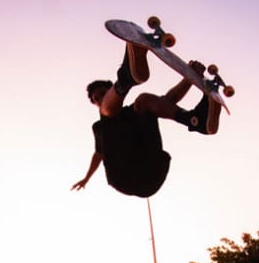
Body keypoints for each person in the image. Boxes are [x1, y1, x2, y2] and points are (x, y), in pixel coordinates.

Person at [71, 44, 221, 198]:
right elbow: (98, 154)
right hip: (124, 177)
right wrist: (86, 178)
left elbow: (169, 99)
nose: (100, 99)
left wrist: (190, 77)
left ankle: (196, 121)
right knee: (107, 116)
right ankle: (126, 78)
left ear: (110, 90)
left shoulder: (136, 111)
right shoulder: (100, 127)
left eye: (103, 94)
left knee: (145, 101)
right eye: (96, 99)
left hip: (151, 170)